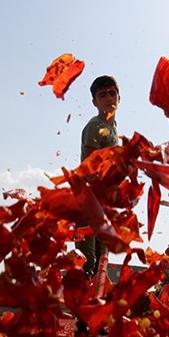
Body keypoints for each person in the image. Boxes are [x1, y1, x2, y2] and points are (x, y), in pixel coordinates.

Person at [77, 75, 120, 280]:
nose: (109, 98)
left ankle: (96, 305)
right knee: (88, 258)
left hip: (102, 201)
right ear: (95, 102)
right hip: (89, 198)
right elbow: (90, 167)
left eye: (112, 93)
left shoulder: (114, 129)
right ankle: (79, 307)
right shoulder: (95, 126)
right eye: (102, 95)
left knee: (103, 256)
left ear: (119, 97)